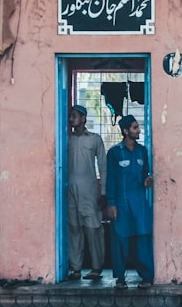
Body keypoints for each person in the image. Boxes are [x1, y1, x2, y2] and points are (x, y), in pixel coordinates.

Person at [105, 114, 154, 289]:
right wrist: (111, 203)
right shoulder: (114, 153)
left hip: (139, 203)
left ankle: (146, 277)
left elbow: (145, 175)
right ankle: (120, 278)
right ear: (125, 131)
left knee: (142, 239)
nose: (138, 130)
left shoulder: (142, 151)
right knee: (120, 241)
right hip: (121, 204)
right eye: (134, 128)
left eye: (138, 127)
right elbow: (110, 179)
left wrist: (148, 181)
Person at [65, 104, 107, 281]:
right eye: (70, 116)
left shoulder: (94, 139)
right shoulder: (66, 139)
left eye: (74, 116)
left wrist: (103, 192)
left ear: (83, 118)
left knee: (93, 229)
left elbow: (103, 167)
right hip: (70, 191)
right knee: (74, 229)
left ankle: (96, 268)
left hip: (90, 192)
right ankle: (76, 268)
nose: (71, 119)